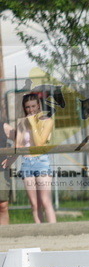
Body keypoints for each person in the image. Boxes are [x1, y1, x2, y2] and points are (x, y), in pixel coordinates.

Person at [5, 92, 56, 223]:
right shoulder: (21, 123)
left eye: (33, 106)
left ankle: (55, 233)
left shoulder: (47, 121)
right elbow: (18, 146)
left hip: (42, 162)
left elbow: (39, 143)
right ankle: (39, 233)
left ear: (39, 106)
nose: (31, 110)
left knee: (45, 202)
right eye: (28, 107)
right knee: (34, 204)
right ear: (24, 108)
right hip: (27, 163)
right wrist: (9, 160)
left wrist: (33, 123)